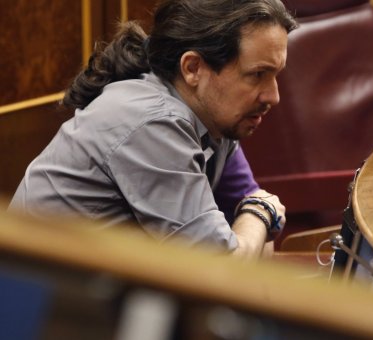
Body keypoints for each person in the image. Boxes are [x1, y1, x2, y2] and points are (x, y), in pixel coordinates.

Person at [9, 0, 298, 259]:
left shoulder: (215, 115)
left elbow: (256, 234)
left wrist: (255, 219)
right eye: (257, 75)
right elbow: (222, 269)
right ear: (193, 68)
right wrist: (261, 214)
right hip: (41, 304)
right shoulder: (153, 123)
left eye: (275, 75)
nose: (273, 96)